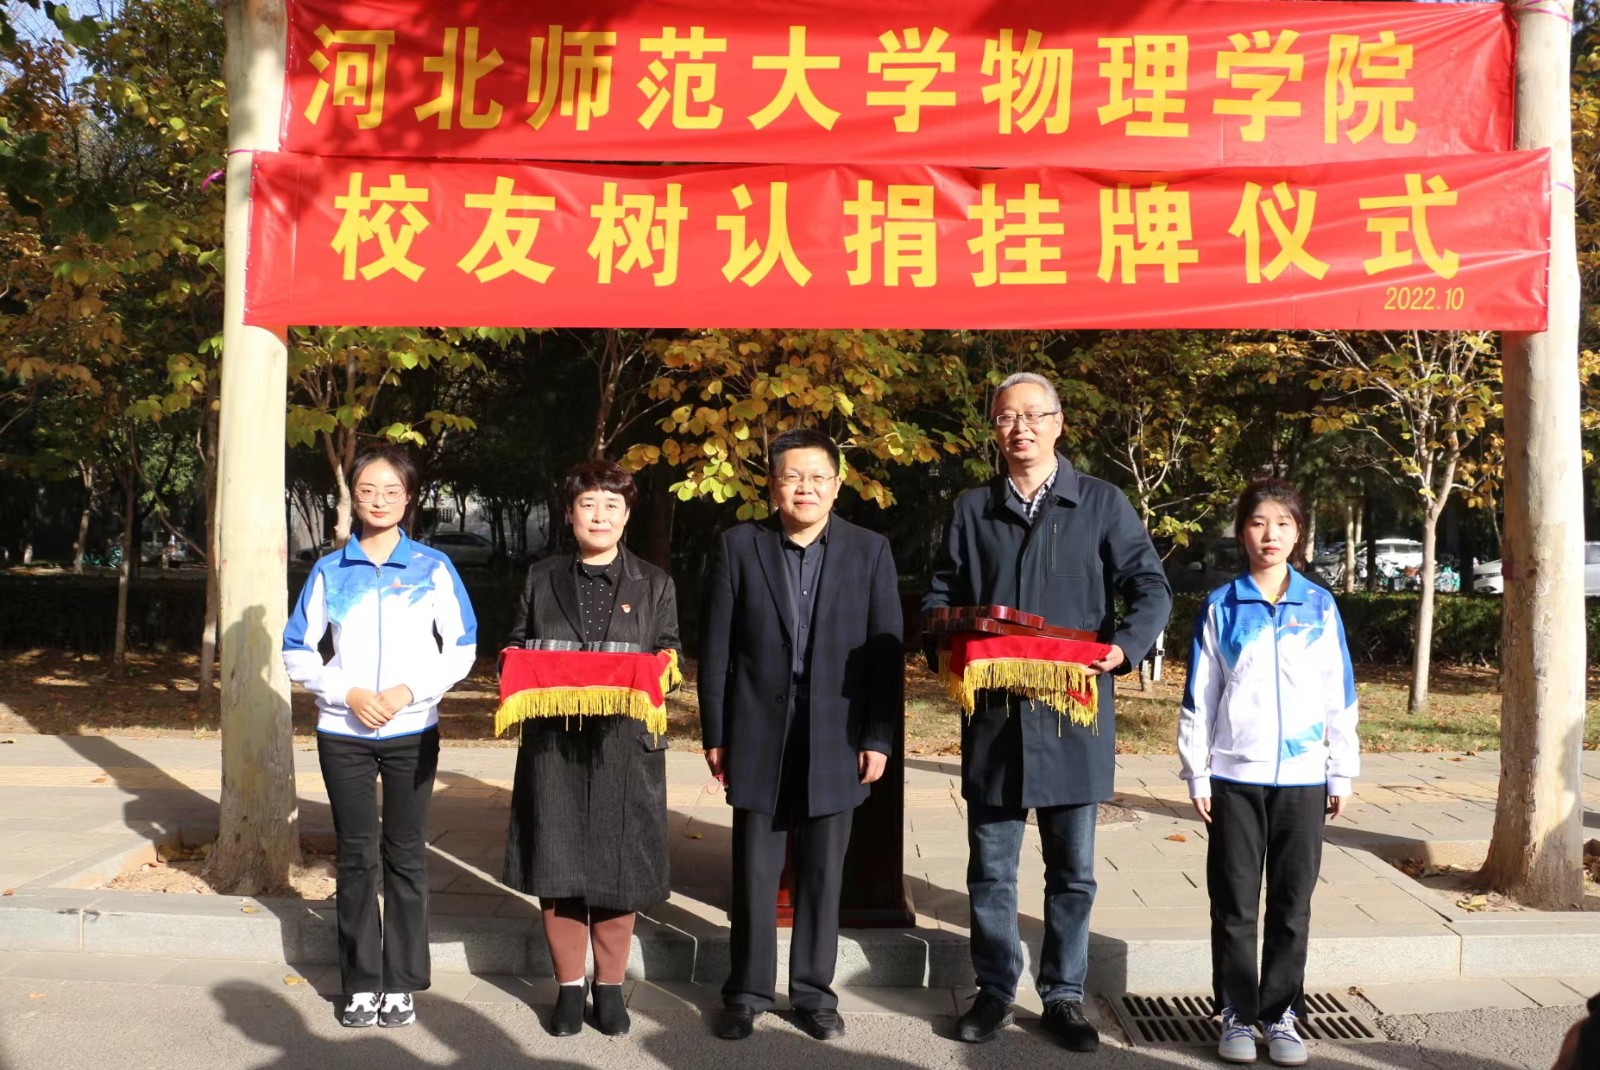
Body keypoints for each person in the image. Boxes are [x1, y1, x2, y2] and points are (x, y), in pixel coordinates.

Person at [923, 372, 1170, 1052]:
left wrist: (1124, 648)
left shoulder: (1101, 502)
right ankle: (995, 990)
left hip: (1072, 709)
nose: (1022, 427)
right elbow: (940, 592)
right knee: (990, 869)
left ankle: (1063, 995)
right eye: (1008, 416)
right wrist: (944, 638)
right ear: (995, 429)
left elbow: (1150, 587)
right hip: (997, 714)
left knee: (1073, 874)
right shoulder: (972, 509)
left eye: (1034, 415)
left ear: (1059, 424)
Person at [699, 428, 904, 1042]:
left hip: (838, 734)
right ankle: (747, 992)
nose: (805, 488)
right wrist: (716, 731)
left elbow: (884, 656)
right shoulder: (739, 546)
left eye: (818, 477)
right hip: (756, 730)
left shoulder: (870, 550)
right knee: (755, 874)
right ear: (773, 484)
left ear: (838, 486)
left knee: (822, 874)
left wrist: (878, 736)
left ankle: (814, 993)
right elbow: (716, 648)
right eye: (792, 476)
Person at [282, 446, 478, 1030]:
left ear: (408, 497)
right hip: (342, 733)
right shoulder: (329, 570)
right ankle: (362, 982)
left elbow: (462, 647)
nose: (380, 500)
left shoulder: (433, 567)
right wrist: (346, 693)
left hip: (412, 731)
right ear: (354, 496)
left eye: (392, 490)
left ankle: (403, 982)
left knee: (407, 855)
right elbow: (297, 650)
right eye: (368, 489)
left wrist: (407, 691)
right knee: (357, 856)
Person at [1177, 477, 1360, 1067]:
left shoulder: (1320, 605)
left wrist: (1341, 771)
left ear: (1298, 533)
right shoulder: (1221, 606)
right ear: (1242, 533)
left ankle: (1281, 1014)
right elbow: (1200, 696)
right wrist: (1198, 774)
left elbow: (1339, 693)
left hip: (1305, 778)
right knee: (1233, 902)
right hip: (1235, 776)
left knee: (1292, 902)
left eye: (1282, 523)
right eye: (1258, 522)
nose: (1270, 534)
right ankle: (1235, 1011)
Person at [501, 459, 680, 1038]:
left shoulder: (654, 582)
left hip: (625, 747)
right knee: (557, 866)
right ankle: (568, 987)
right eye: (588, 504)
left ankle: (609, 987)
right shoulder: (541, 576)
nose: (599, 516)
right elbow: (515, 645)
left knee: (617, 868)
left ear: (626, 516)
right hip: (554, 744)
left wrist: (657, 670)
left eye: (611, 505)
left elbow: (671, 654)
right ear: (570, 513)